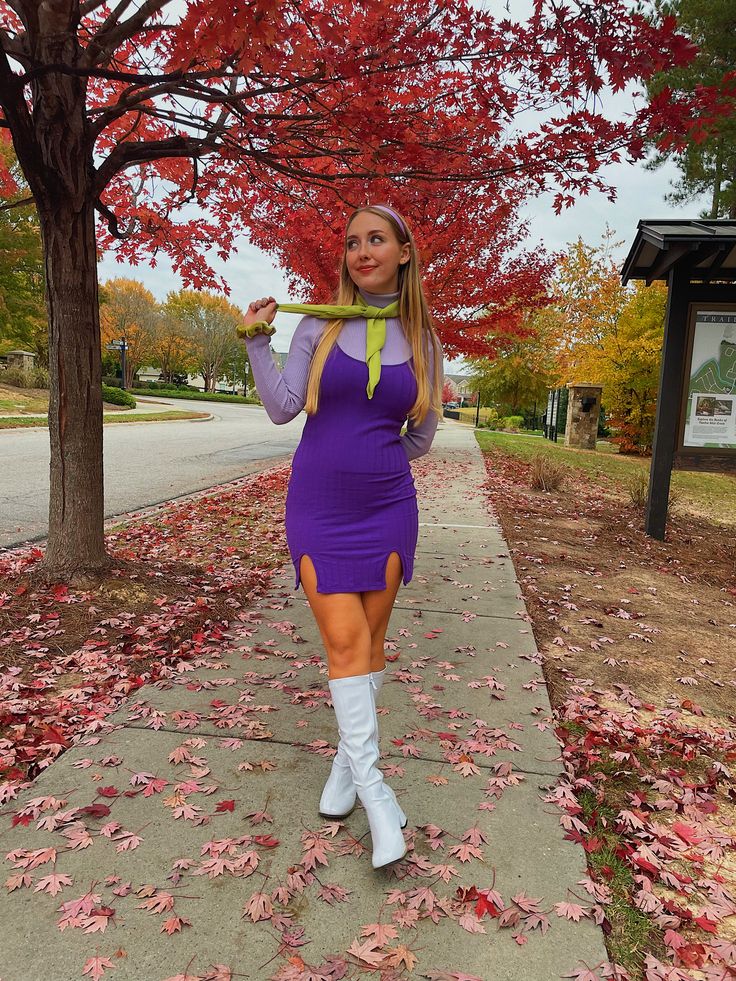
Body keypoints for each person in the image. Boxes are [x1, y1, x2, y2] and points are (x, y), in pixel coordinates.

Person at [239, 203, 443, 869]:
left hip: (387, 506)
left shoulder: (424, 337)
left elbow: (420, 434)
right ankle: (379, 796)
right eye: (352, 242)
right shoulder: (318, 328)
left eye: (376, 239)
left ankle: (346, 771)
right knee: (346, 639)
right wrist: (256, 342)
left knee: (371, 645)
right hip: (319, 506)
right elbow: (280, 408)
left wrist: (373, 459)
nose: (361, 251)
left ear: (403, 252)